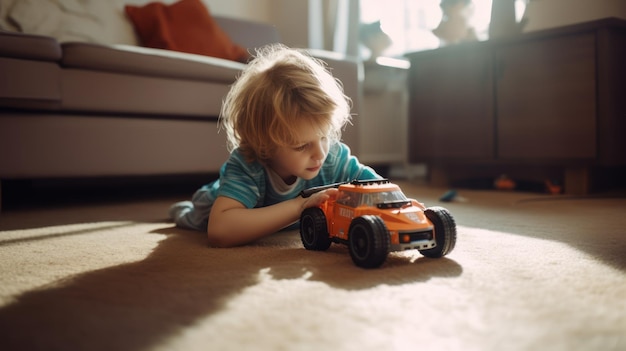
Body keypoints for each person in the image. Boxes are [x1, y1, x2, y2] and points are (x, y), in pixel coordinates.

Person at [169, 44, 382, 247]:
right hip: (210, 207)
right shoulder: (248, 164)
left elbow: (379, 188)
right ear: (264, 145)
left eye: (324, 137)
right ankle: (183, 208)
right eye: (301, 146)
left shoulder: (333, 157)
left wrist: (404, 206)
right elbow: (220, 231)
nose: (320, 154)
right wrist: (300, 205)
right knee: (191, 212)